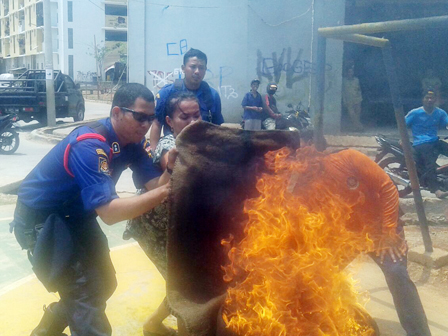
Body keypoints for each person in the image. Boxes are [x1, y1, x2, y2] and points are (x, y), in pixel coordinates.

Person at [10, 83, 177, 336]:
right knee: (84, 293)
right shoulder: (90, 144)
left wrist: (170, 171)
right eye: (139, 117)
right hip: (41, 220)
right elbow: (110, 214)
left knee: (104, 283)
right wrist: (165, 192)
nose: (146, 124)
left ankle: (46, 331)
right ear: (117, 112)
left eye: (150, 118)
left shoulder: (132, 142)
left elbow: (154, 184)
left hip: (77, 218)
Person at [295, 131, 432, 336]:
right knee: (319, 274)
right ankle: (335, 320)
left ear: (315, 146)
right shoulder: (304, 184)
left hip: (381, 233)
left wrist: (389, 233)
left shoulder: (349, 158)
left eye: (301, 148)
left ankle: (420, 333)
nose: (298, 154)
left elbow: (388, 189)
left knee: (396, 273)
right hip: (346, 239)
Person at [125, 91, 201, 336]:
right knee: (182, 282)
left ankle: (153, 325)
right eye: (184, 117)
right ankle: (175, 329)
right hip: (153, 225)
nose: (192, 122)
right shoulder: (170, 145)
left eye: (196, 115)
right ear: (169, 121)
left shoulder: (201, 140)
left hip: (176, 223)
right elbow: (172, 162)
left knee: (184, 280)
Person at [149, 48, 223, 151]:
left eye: (201, 68)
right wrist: (154, 153)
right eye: (193, 67)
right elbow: (157, 124)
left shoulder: (212, 95)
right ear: (183, 68)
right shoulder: (166, 93)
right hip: (173, 149)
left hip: (202, 150)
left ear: (205, 70)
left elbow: (217, 127)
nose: (197, 71)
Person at [405, 89, 448, 199]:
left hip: (434, 140)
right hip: (421, 142)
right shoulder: (415, 113)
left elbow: (446, 123)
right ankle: (436, 189)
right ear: (423, 99)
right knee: (430, 164)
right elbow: (402, 124)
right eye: (427, 98)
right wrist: (403, 138)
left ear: (435, 100)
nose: (429, 100)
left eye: (432, 98)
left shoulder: (440, 112)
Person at [342, 66, 364, 132]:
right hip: (349, 100)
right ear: (347, 73)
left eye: (351, 72)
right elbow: (343, 92)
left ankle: (356, 128)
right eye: (349, 72)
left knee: (357, 115)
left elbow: (359, 89)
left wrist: (360, 98)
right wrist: (344, 100)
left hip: (357, 99)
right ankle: (360, 127)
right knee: (352, 115)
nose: (350, 73)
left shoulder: (356, 80)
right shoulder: (344, 81)